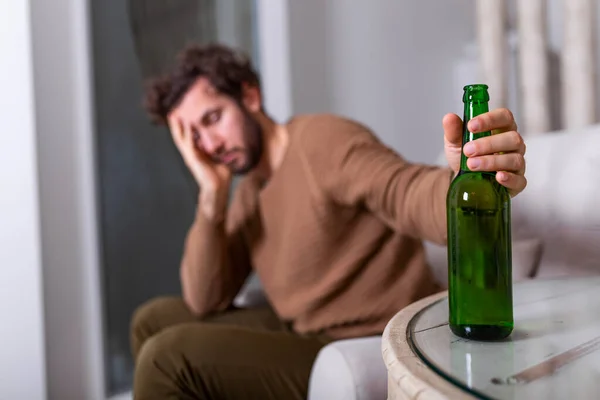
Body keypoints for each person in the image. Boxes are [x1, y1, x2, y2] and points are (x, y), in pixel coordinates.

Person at [130, 44, 527, 399]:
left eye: (213, 118)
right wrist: (211, 198)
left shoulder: (323, 142)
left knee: (167, 359)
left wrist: (466, 183)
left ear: (249, 95)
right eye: (194, 138)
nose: (210, 146)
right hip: (300, 327)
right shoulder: (250, 189)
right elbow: (205, 298)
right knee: (152, 319)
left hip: (358, 336)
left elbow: (405, 191)